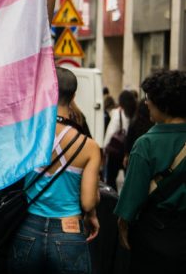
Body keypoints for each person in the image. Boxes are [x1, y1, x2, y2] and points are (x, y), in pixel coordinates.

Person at [8, 67, 101, 274]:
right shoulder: (90, 147)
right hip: (69, 231)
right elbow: (87, 202)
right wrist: (93, 213)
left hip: (28, 227)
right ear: (74, 96)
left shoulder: (29, 135)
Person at [115, 70, 186, 274]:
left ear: (163, 104)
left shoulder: (146, 144)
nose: (146, 103)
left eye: (149, 98)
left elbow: (130, 200)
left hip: (154, 235)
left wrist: (122, 226)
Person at [103, 90, 137, 190]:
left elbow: (110, 131)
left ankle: (113, 199)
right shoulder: (134, 113)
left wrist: (105, 148)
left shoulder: (118, 113)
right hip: (128, 151)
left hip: (115, 151)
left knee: (111, 178)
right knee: (128, 178)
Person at [123, 101, 153, 168]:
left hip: (135, 154)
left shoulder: (134, 122)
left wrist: (126, 155)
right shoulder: (153, 124)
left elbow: (128, 140)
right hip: (149, 155)